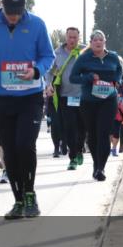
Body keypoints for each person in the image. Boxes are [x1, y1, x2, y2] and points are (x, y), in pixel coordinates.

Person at [0, 0, 54, 219]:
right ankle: (18, 200)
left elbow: (48, 55)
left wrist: (36, 70)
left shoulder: (37, 24)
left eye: (18, 11)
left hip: (30, 98)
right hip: (1, 97)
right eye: (10, 11)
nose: (14, 16)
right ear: (1, 4)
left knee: (25, 145)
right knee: (9, 150)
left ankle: (30, 195)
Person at [69, 30, 123, 181]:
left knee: (103, 133)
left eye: (101, 40)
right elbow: (73, 77)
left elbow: (120, 70)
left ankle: (101, 168)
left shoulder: (112, 57)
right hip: (89, 102)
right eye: (95, 40)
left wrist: (117, 80)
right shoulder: (84, 58)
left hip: (108, 100)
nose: (98, 42)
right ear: (91, 43)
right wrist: (88, 77)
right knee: (92, 135)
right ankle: (96, 164)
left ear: (105, 42)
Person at [46, 27, 85, 172]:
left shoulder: (85, 51)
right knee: (69, 128)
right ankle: (73, 157)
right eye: (70, 37)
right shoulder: (57, 53)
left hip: (83, 96)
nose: (72, 40)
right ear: (66, 37)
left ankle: (80, 149)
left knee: (82, 127)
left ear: (79, 38)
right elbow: (49, 71)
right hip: (65, 96)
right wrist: (48, 85)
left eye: (75, 37)